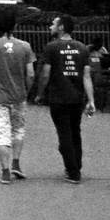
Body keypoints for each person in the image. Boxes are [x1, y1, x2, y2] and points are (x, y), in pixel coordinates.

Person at [0, 8, 37, 184]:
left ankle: (5, 172)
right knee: (18, 130)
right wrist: (26, 90)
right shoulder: (25, 46)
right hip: (18, 96)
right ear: (15, 25)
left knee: (1, 132)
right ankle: (16, 164)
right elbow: (31, 74)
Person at [38, 14, 96, 183]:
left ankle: (73, 172)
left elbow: (46, 73)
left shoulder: (51, 47)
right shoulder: (82, 48)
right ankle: (76, 166)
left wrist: (40, 93)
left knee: (63, 134)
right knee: (75, 133)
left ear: (61, 27)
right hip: (77, 98)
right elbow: (86, 76)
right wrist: (91, 100)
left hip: (58, 97)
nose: (50, 27)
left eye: (53, 24)